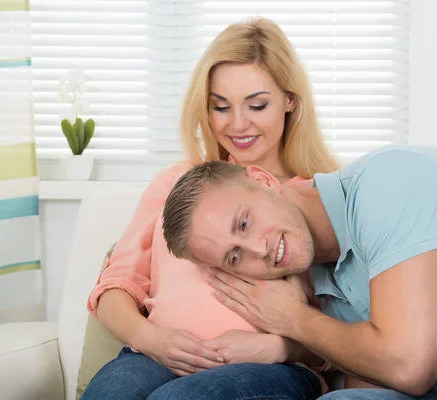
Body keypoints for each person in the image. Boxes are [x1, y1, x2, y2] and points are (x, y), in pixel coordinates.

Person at [161, 144, 437, 400]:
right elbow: (380, 382)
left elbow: (411, 367)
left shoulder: (389, 181)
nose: (258, 250)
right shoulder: (322, 286)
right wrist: (288, 349)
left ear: (264, 180)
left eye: (245, 223)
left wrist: (293, 321)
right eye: (235, 258)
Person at [81, 17, 343, 400]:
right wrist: (152, 339)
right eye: (221, 107)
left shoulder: (321, 199)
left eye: (257, 104)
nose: (238, 124)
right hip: (153, 357)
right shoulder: (178, 185)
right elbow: (115, 287)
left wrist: (279, 349)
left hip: (271, 369)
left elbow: (347, 331)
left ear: (290, 100)